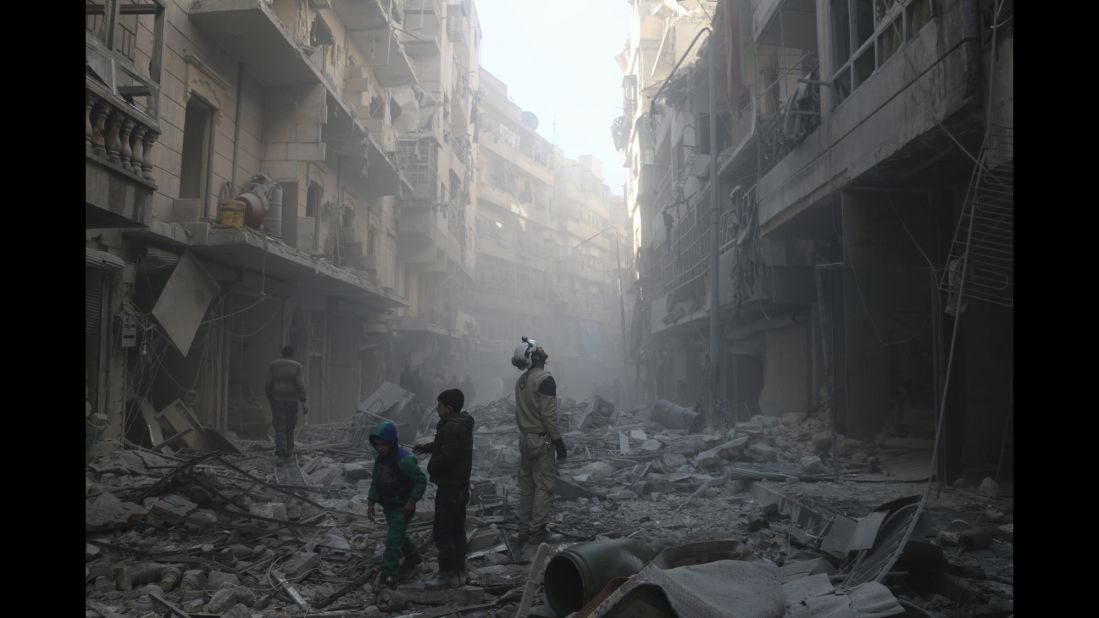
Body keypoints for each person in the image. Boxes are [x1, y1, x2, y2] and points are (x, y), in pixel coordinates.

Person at [413, 389, 474, 589]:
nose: (436, 408)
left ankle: (447, 575)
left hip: (449, 487)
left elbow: (448, 456)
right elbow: (446, 447)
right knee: (457, 530)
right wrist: (427, 447)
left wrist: (431, 465)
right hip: (460, 486)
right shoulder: (460, 425)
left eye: (438, 405)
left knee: (443, 531)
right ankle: (459, 572)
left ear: (448, 408)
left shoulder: (450, 428)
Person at [511, 337, 567, 545]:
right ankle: (537, 531)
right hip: (541, 440)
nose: (542, 350)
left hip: (525, 439)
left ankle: (524, 530)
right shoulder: (545, 380)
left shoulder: (522, 381)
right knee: (544, 485)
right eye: (538, 349)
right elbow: (548, 416)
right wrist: (558, 442)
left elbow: (518, 414)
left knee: (527, 487)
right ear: (533, 357)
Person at [366, 421, 428, 589]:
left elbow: (421, 480)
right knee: (398, 533)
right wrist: (371, 502)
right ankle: (414, 556)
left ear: (392, 442)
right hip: (388, 506)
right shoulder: (380, 460)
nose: (380, 448)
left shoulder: (404, 460)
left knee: (393, 539)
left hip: (403, 506)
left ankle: (389, 574)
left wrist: (412, 500)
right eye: (377, 445)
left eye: (384, 444)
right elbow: (375, 482)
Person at [266, 346, 307, 463]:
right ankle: (289, 451)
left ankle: (281, 452)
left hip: (277, 400)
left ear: (282, 354)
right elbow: (300, 385)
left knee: (280, 427)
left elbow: (268, 383)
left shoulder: (273, 365)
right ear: (293, 355)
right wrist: (304, 401)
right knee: (290, 426)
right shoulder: (298, 366)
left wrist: (270, 396)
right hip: (292, 401)